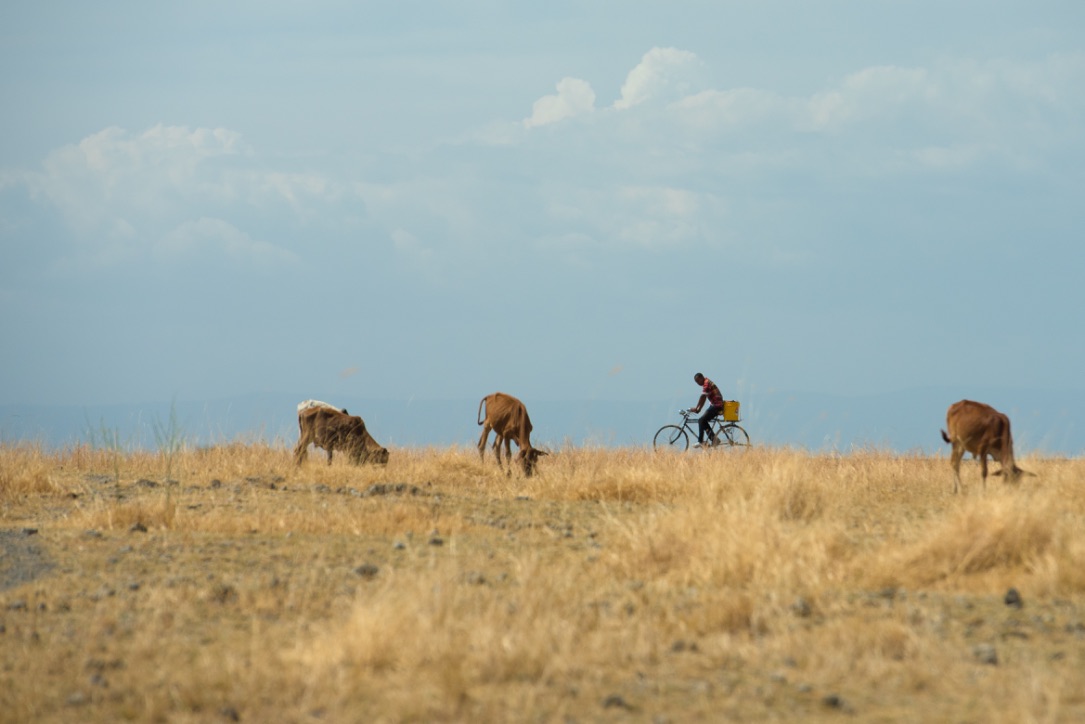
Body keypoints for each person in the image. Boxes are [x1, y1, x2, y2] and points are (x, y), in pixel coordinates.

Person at [689, 372, 724, 447]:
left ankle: (700, 441)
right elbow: (704, 398)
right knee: (703, 421)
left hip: (717, 406)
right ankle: (714, 440)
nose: (698, 383)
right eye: (696, 382)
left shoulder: (706, 383)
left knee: (701, 420)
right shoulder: (706, 382)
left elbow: (703, 397)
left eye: (698, 381)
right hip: (714, 405)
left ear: (702, 378)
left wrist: (696, 408)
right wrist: (698, 409)